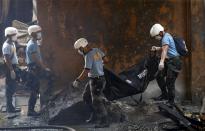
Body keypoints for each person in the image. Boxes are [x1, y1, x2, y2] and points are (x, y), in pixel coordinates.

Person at [72, 38, 109, 128]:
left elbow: (86, 69)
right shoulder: (96, 50)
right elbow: (106, 60)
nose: (80, 51)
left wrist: (78, 80)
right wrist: (100, 64)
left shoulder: (88, 55)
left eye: (80, 49)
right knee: (86, 96)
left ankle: (104, 121)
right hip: (94, 79)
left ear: (83, 47)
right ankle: (95, 115)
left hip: (97, 80)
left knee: (97, 101)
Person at [150, 23, 182, 104]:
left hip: (174, 62)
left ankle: (171, 102)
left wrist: (161, 62)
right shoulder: (166, 36)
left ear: (160, 32)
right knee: (159, 76)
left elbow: (165, 51)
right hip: (169, 61)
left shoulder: (165, 38)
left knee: (169, 82)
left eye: (156, 35)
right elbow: (166, 48)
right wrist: (158, 48)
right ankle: (165, 95)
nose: (156, 37)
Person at [26, 25, 50, 116]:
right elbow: (36, 59)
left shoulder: (33, 42)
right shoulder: (32, 44)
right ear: (32, 34)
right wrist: (45, 68)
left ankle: (32, 110)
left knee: (36, 90)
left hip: (35, 69)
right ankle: (30, 111)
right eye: (38, 32)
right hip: (33, 69)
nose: (40, 34)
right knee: (34, 91)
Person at [2, 27, 21, 113]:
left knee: (13, 87)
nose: (16, 36)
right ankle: (10, 108)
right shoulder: (6, 46)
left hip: (14, 66)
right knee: (9, 88)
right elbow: (7, 59)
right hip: (10, 67)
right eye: (14, 35)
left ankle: (11, 107)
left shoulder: (12, 43)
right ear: (9, 36)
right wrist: (11, 70)